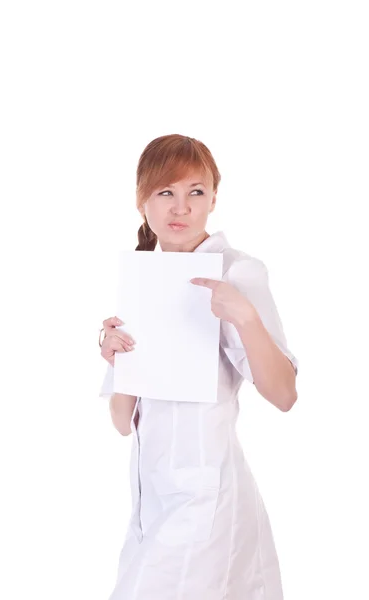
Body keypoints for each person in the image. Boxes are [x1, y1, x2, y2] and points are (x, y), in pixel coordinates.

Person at [98, 134, 299, 600]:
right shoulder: (142, 281)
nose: (181, 207)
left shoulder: (237, 271)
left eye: (196, 192)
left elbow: (285, 395)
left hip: (206, 496)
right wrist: (117, 356)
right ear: (141, 201)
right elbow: (122, 423)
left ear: (213, 199)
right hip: (152, 503)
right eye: (165, 192)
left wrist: (246, 317)